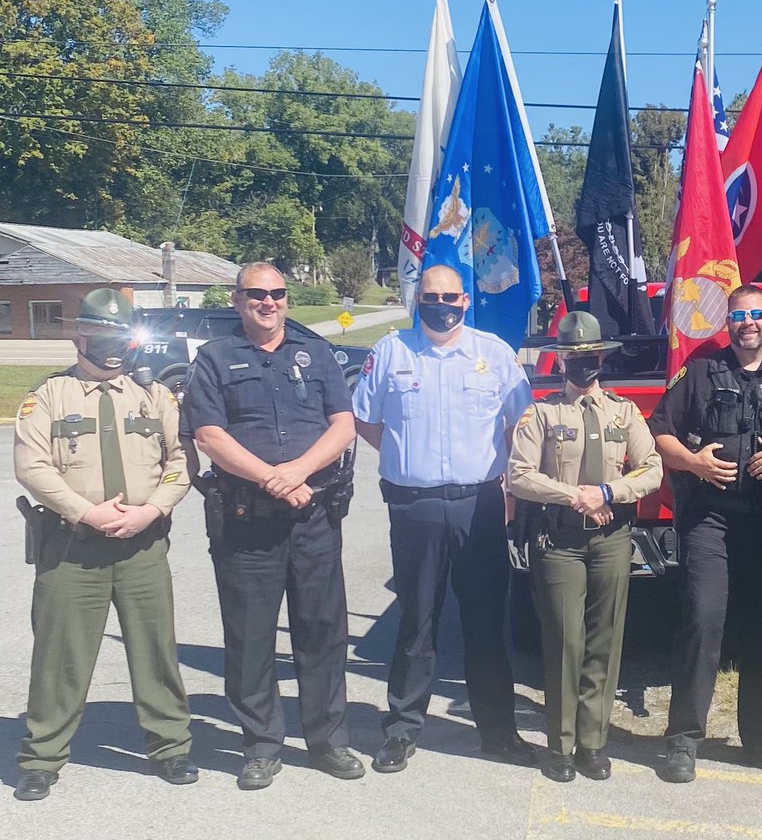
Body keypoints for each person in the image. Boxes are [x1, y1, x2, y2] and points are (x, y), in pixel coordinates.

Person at [12, 288, 196, 801]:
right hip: (72, 549)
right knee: (60, 656)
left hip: (143, 547)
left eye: (121, 335)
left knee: (155, 649)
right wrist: (86, 511)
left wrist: (153, 509)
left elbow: (182, 462)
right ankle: (42, 757)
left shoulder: (154, 396)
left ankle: (171, 747)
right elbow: (32, 466)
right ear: (79, 335)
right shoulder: (49, 396)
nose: (112, 347)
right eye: (100, 334)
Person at [182, 262, 360, 791]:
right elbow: (209, 436)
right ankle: (261, 745)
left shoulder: (318, 353)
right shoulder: (214, 359)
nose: (269, 302)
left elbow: (344, 425)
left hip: (314, 516)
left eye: (278, 293)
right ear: (237, 300)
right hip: (246, 520)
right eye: (257, 294)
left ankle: (328, 741)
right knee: (250, 636)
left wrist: (299, 472)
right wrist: (272, 479)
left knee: (323, 632)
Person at [353, 264, 536, 773]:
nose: (441, 304)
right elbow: (367, 421)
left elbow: (519, 426)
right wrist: (406, 458)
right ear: (418, 299)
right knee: (416, 621)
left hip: (479, 505)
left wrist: (509, 489)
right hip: (414, 507)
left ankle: (498, 731)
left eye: (450, 296)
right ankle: (402, 730)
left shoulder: (493, 355)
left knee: (485, 623)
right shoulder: (390, 352)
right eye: (431, 296)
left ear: (465, 300)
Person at [648, 285, 762, 783]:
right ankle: (682, 741)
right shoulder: (698, 372)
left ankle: (760, 740)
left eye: (757, 314)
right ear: (728, 323)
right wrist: (693, 462)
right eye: (739, 315)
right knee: (702, 622)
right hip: (709, 520)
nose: (749, 323)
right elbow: (659, 431)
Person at [508, 311, 663, 783]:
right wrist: (574, 494)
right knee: (564, 642)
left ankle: (592, 743)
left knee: (605, 639)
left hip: (612, 538)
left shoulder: (625, 412)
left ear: (602, 358)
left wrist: (609, 493)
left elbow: (652, 468)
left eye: (590, 356)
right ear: (560, 362)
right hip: (560, 541)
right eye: (574, 358)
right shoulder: (542, 413)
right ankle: (560, 744)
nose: (583, 365)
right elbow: (518, 474)